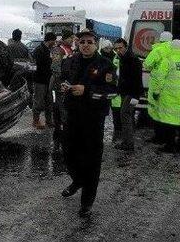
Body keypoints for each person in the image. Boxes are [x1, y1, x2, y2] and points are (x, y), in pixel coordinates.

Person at [60, 30, 114, 218]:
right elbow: (63, 80)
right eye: (82, 41)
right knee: (68, 154)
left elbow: (112, 92)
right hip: (72, 116)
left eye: (89, 42)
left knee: (91, 161)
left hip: (93, 119)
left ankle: (87, 202)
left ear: (96, 44)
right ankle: (78, 180)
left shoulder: (105, 65)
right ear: (77, 43)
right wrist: (64, 87)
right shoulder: (70, 61)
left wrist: (87, 90)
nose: (85, 45)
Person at [113, 38, 143, 152]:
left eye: (120, 48)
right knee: (127, 116)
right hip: (125, 92)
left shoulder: (132, 59)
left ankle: (128, 144)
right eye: (116, 49)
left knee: (125, 116)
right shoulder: (124, 58)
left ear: (126, 46)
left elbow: (136, 80)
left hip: (131, 93)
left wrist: (135, 96)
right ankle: (127, 141)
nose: (118, 50)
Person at [143, 31, 172, 144]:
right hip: (170, 87)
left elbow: (147, 64)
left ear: (160, 39)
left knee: (156, 112)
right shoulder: (174, 51)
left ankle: (159, 137)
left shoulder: (158, 50)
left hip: (157, 87)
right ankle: (167, 137)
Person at [49, 30, 75, 142]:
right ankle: (57, 131)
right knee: (57, 107)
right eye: (70, 38)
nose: (72, 40)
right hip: (57, 84)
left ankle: (64, 131)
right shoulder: (58, 50)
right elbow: (55, 68)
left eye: (72, 39)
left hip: (66, 84)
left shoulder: (70, 50)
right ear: (65, 38)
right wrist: (63, 81)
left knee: (65, 107)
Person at [32, 32, 57, 129]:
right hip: (40, 80)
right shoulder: (39, 50)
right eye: (53, 41)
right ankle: (36, 121)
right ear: (50, 40)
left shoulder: (48, 50)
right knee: (38, 101)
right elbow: (35, 66)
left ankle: (49, 121)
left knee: (49, 101)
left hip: (48, 80)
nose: (54, 43)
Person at [98, 39, 121, 141]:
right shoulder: (98, 57)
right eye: (106, 48)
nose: (108, 50)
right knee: (101, 113)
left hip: (114, 88)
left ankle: (118, 133)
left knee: (117, 112)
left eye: (109, 48)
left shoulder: (116, 56)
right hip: (102, 89)